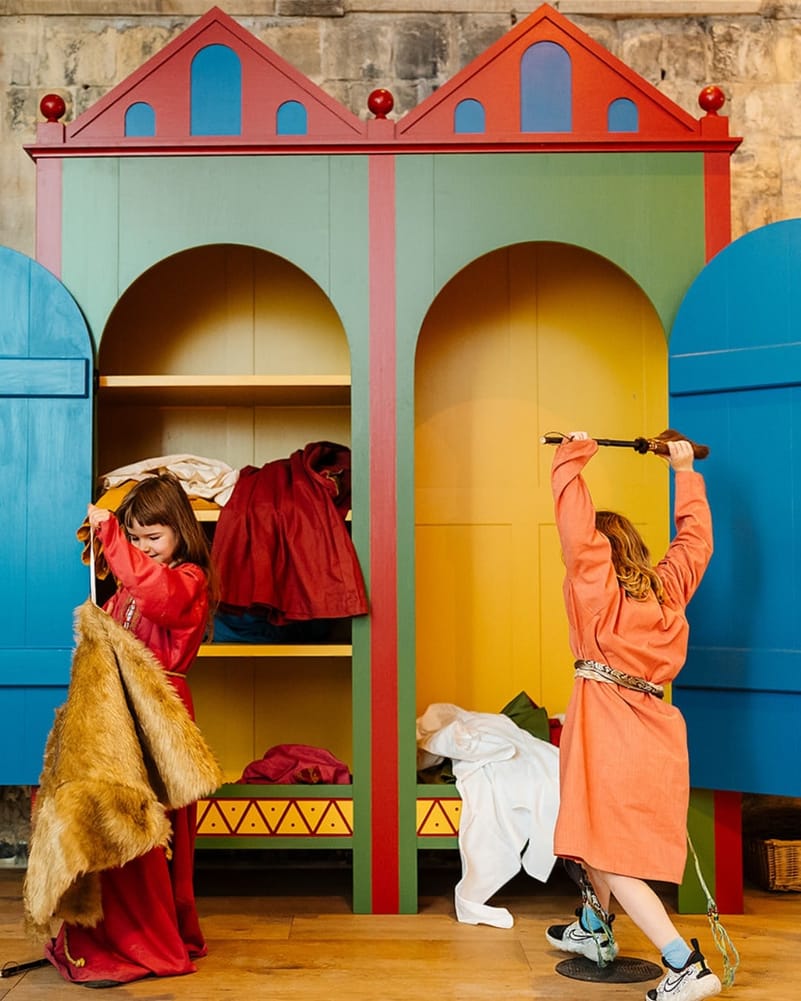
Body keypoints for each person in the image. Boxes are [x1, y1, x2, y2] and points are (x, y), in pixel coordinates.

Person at [544, 432, 720, 1001]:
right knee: (598, 832)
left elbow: (576, 532)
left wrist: (571, 458)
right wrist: (685, 469)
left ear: (600, 552)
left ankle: (683, 965)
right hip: (656, 726)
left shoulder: (597, 588)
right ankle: (594, 930)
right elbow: (695, 540)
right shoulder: (668, 589)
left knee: (609, 850)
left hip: (610, 725)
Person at [46, 473, 219, 987]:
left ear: (180, 533)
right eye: (136, 537)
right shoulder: (129, 585)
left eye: (154, 537)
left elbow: (158, 596)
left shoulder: (187, 579)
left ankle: (151, 938)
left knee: (149, 831)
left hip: (159, 715)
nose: (145, 548)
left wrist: (116, 540)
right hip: (123, 716)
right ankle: (127, 930)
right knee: (120, 824)